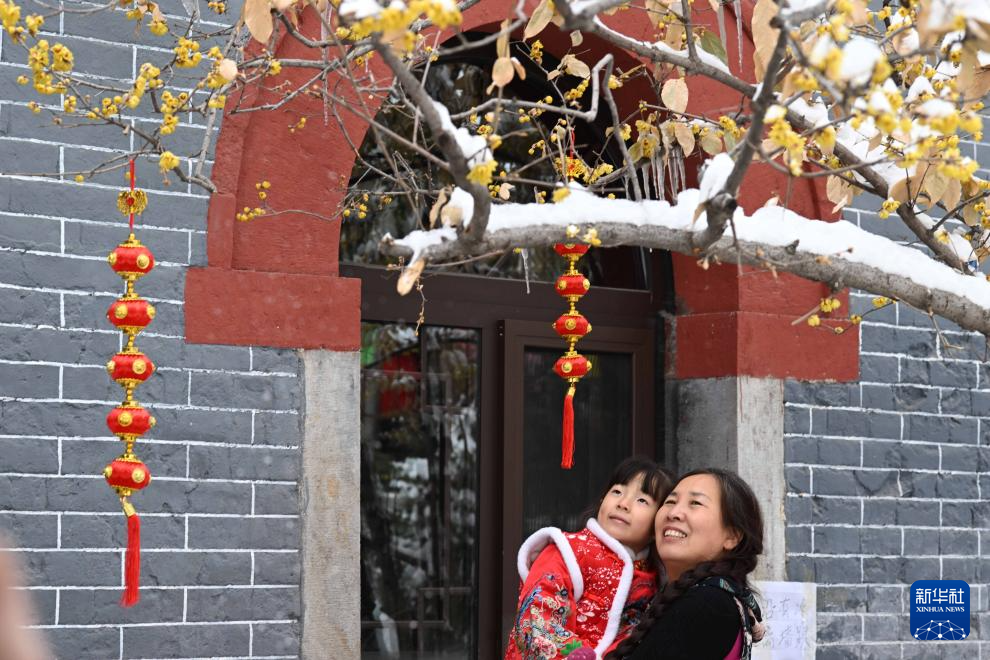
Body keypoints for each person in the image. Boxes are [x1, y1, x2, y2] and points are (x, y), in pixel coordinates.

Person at [505, 457, 673, 660]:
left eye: (642, 500)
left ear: (658, 523)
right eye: (617, 491)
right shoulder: (567, 552)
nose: (623, 504)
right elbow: (538, 619)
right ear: (602, 500)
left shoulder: (657, 577)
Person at [605, 468, 765, 660]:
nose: (674, 513)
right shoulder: (700, 598)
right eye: (670, 502)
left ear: (732, 536)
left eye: (695, 503)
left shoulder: (707, 604)